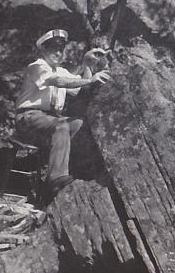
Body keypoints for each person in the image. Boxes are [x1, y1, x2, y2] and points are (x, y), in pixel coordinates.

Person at [15, 29, 111, 195]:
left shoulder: (61, 71)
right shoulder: (37, 66)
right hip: (28, 118)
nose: (58, 53)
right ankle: (56, 179)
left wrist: (87, 64)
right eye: (53, 48)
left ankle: (79, 173)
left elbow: (81, 87)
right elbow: (57, 82)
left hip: (50, 120)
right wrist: (89, 79)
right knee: (61, 125)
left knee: (79, 125)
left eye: (61, 49)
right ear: (43, 49)